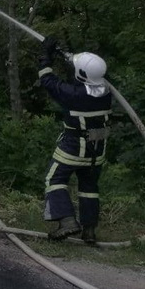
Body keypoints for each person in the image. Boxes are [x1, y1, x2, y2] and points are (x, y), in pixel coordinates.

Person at [38, 37, 112, 244]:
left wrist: (46, 57)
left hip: (74, 147)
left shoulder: (73, 95)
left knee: (54, 180)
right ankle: (89, 230)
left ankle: (67, 221)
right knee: (89, 187)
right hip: (97, 150)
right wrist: (68, 57)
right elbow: (86, 76)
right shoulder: (106, 90)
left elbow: (48, 80)